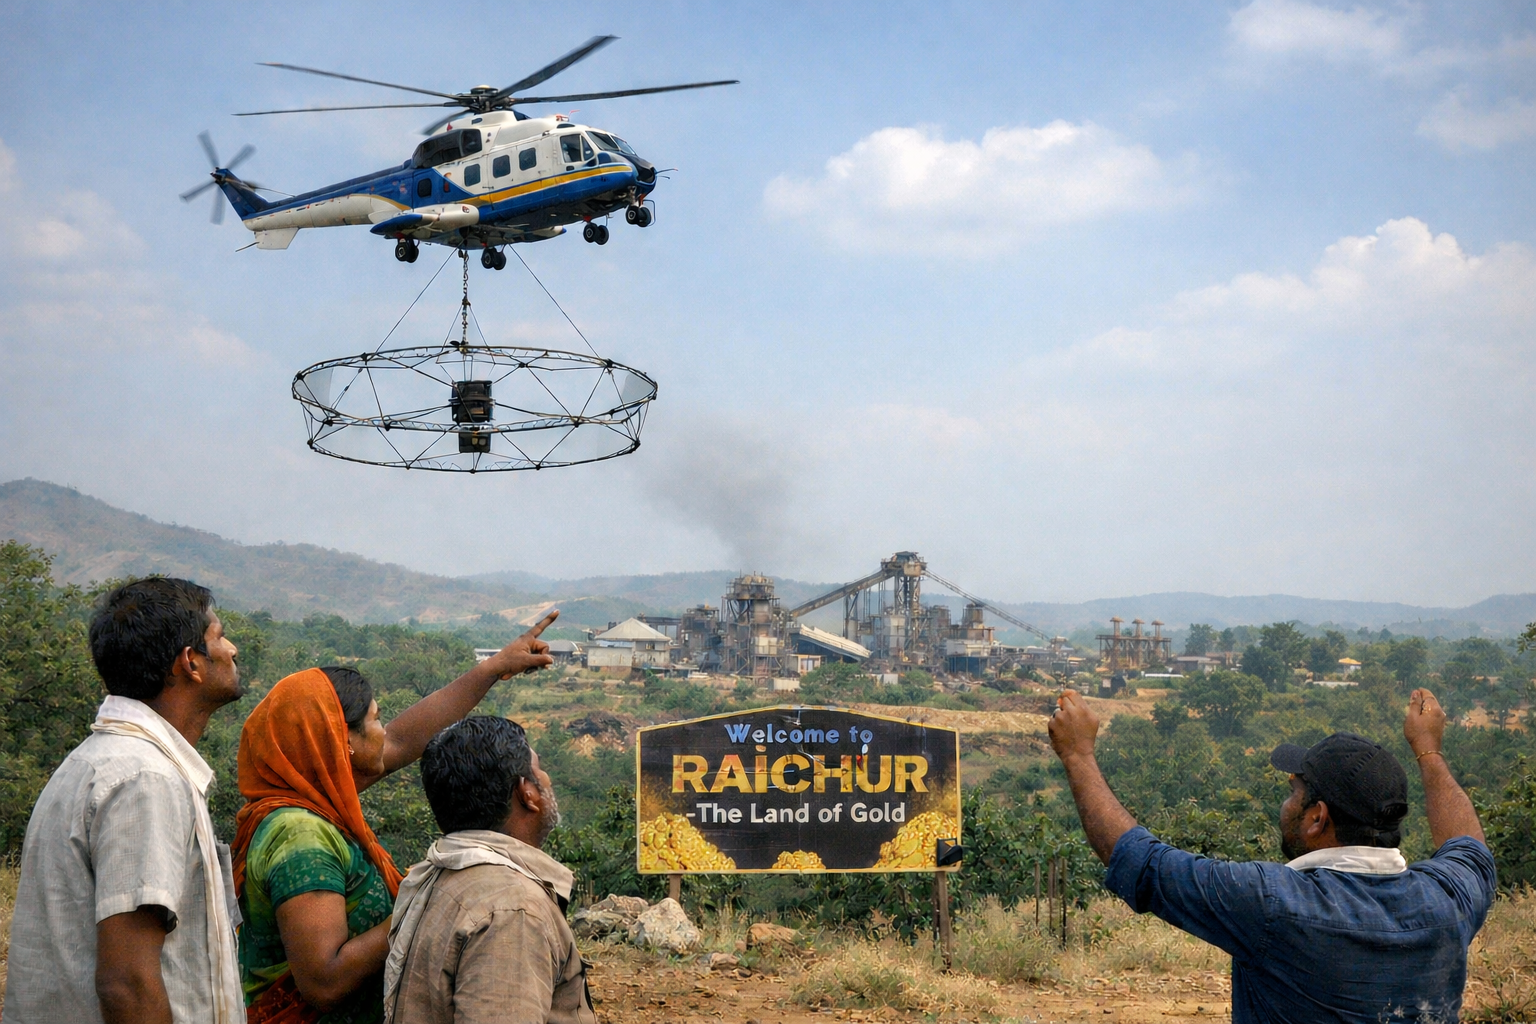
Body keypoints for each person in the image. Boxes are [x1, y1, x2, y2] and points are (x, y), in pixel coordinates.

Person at [1048, 686, 1496, 1024]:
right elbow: (1470, 849)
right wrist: (1429, 751)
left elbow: (1142, 862)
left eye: (1294, 792)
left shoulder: (1273, 905)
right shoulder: (1448, 902)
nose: (1286, 803)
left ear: (1317, 818)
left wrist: (1078, 754)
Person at [232, 612, 559, 1024]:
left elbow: (405, 739)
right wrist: (419, 901)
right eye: (375, 719)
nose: (385, 732)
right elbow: (324, 982)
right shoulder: (300, 835)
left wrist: (493, 668)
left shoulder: (315, 800)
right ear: (343, 741)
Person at [3, 577, 246, 1024]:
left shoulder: (106, 762)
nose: (232, 649)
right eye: (219, 637)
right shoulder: (144, 779)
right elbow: (127, 983)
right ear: (190, 662)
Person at [382, 716, 594, 1024]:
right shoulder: (512, 910)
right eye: (539, 769)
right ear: (527, 793)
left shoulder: (440, 874)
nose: (547, 779)